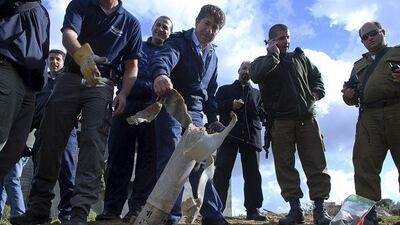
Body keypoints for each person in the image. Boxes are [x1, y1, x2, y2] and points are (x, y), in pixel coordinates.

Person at [11, 0, 142, 224]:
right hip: (70, 76)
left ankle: (79, 213)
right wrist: (84, 59)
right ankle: (39, 208)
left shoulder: (131, 23)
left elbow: (132, 65)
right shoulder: (80, 4)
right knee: (49, 139)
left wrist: (124, 93)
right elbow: (69, 35)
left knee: (93, 143)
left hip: (102, 83)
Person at [149, 4, 229, 225]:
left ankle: (213, 217)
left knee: (201, 163)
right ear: (197, 22)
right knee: (171, 160)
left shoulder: (213, 56)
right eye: (207, 23)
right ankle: (170, 218)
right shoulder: (178, 41)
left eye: (215, 27)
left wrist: (213, 119)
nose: (210, 30)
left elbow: (210, 93)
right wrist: (160, 75)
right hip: (172, 105)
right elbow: (163, 58)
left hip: (196, 115)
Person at [250, 24, 332, 225]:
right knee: (285, 167)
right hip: (280, 122)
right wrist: (272, 56)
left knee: (316, 164)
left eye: (287, 37)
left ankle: (320, 211)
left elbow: (317, 78)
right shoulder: (262, 61)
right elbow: (256, 76)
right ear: (270, 41)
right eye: (280, 38)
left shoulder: (300, 58)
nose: (285, 41)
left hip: (307, 119)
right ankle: (295, 210)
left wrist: (314, 95)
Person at [96, 16, 173, 223]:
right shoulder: (135, 45)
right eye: (157, 25)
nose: (160, 29)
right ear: (152, 27)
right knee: (118, 156)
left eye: (165, 27)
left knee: (148, 161)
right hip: (127, 104)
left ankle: (137, 209)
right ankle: (111, 209)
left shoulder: (172, 52)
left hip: (153, 109)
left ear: (169, 33)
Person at [342, 21, 400, 225]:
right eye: (364, 37)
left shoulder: (397, 52)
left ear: (383, 32)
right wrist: (348, 95)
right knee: (364, 165)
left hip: (396, 110)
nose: (369, 39)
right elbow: (349, 97)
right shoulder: (358, 65)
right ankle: (368, 218)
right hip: (369, 117)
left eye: (373, 33)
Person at [0, 1, 50, 179]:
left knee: (13, 149)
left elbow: (44, 49)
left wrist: (40, 82)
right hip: (7, 65)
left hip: (30, 85)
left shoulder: (43, 12)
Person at [30, 49, 79, 223]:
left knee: (68, 174)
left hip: (66, 132)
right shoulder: (40, 81)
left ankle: (66, 214)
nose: (54, 62)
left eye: (58, 59)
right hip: (41, 132)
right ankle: (37, 212)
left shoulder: (70, 81)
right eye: (51, 59)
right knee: (39, 173)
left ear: (63, 62)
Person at [214, 61, 265, 221]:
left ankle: (253, 210)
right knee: (222, 172)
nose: (246, 71)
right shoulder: (224, 90)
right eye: (244, 68)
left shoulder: (258, 93)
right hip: (229, 135)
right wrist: (230, 104)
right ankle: (215, 210)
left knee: (253, 174)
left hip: (251, 138)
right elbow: (213, 106)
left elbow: (264, 114)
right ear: (238, 70)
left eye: (250, 69)